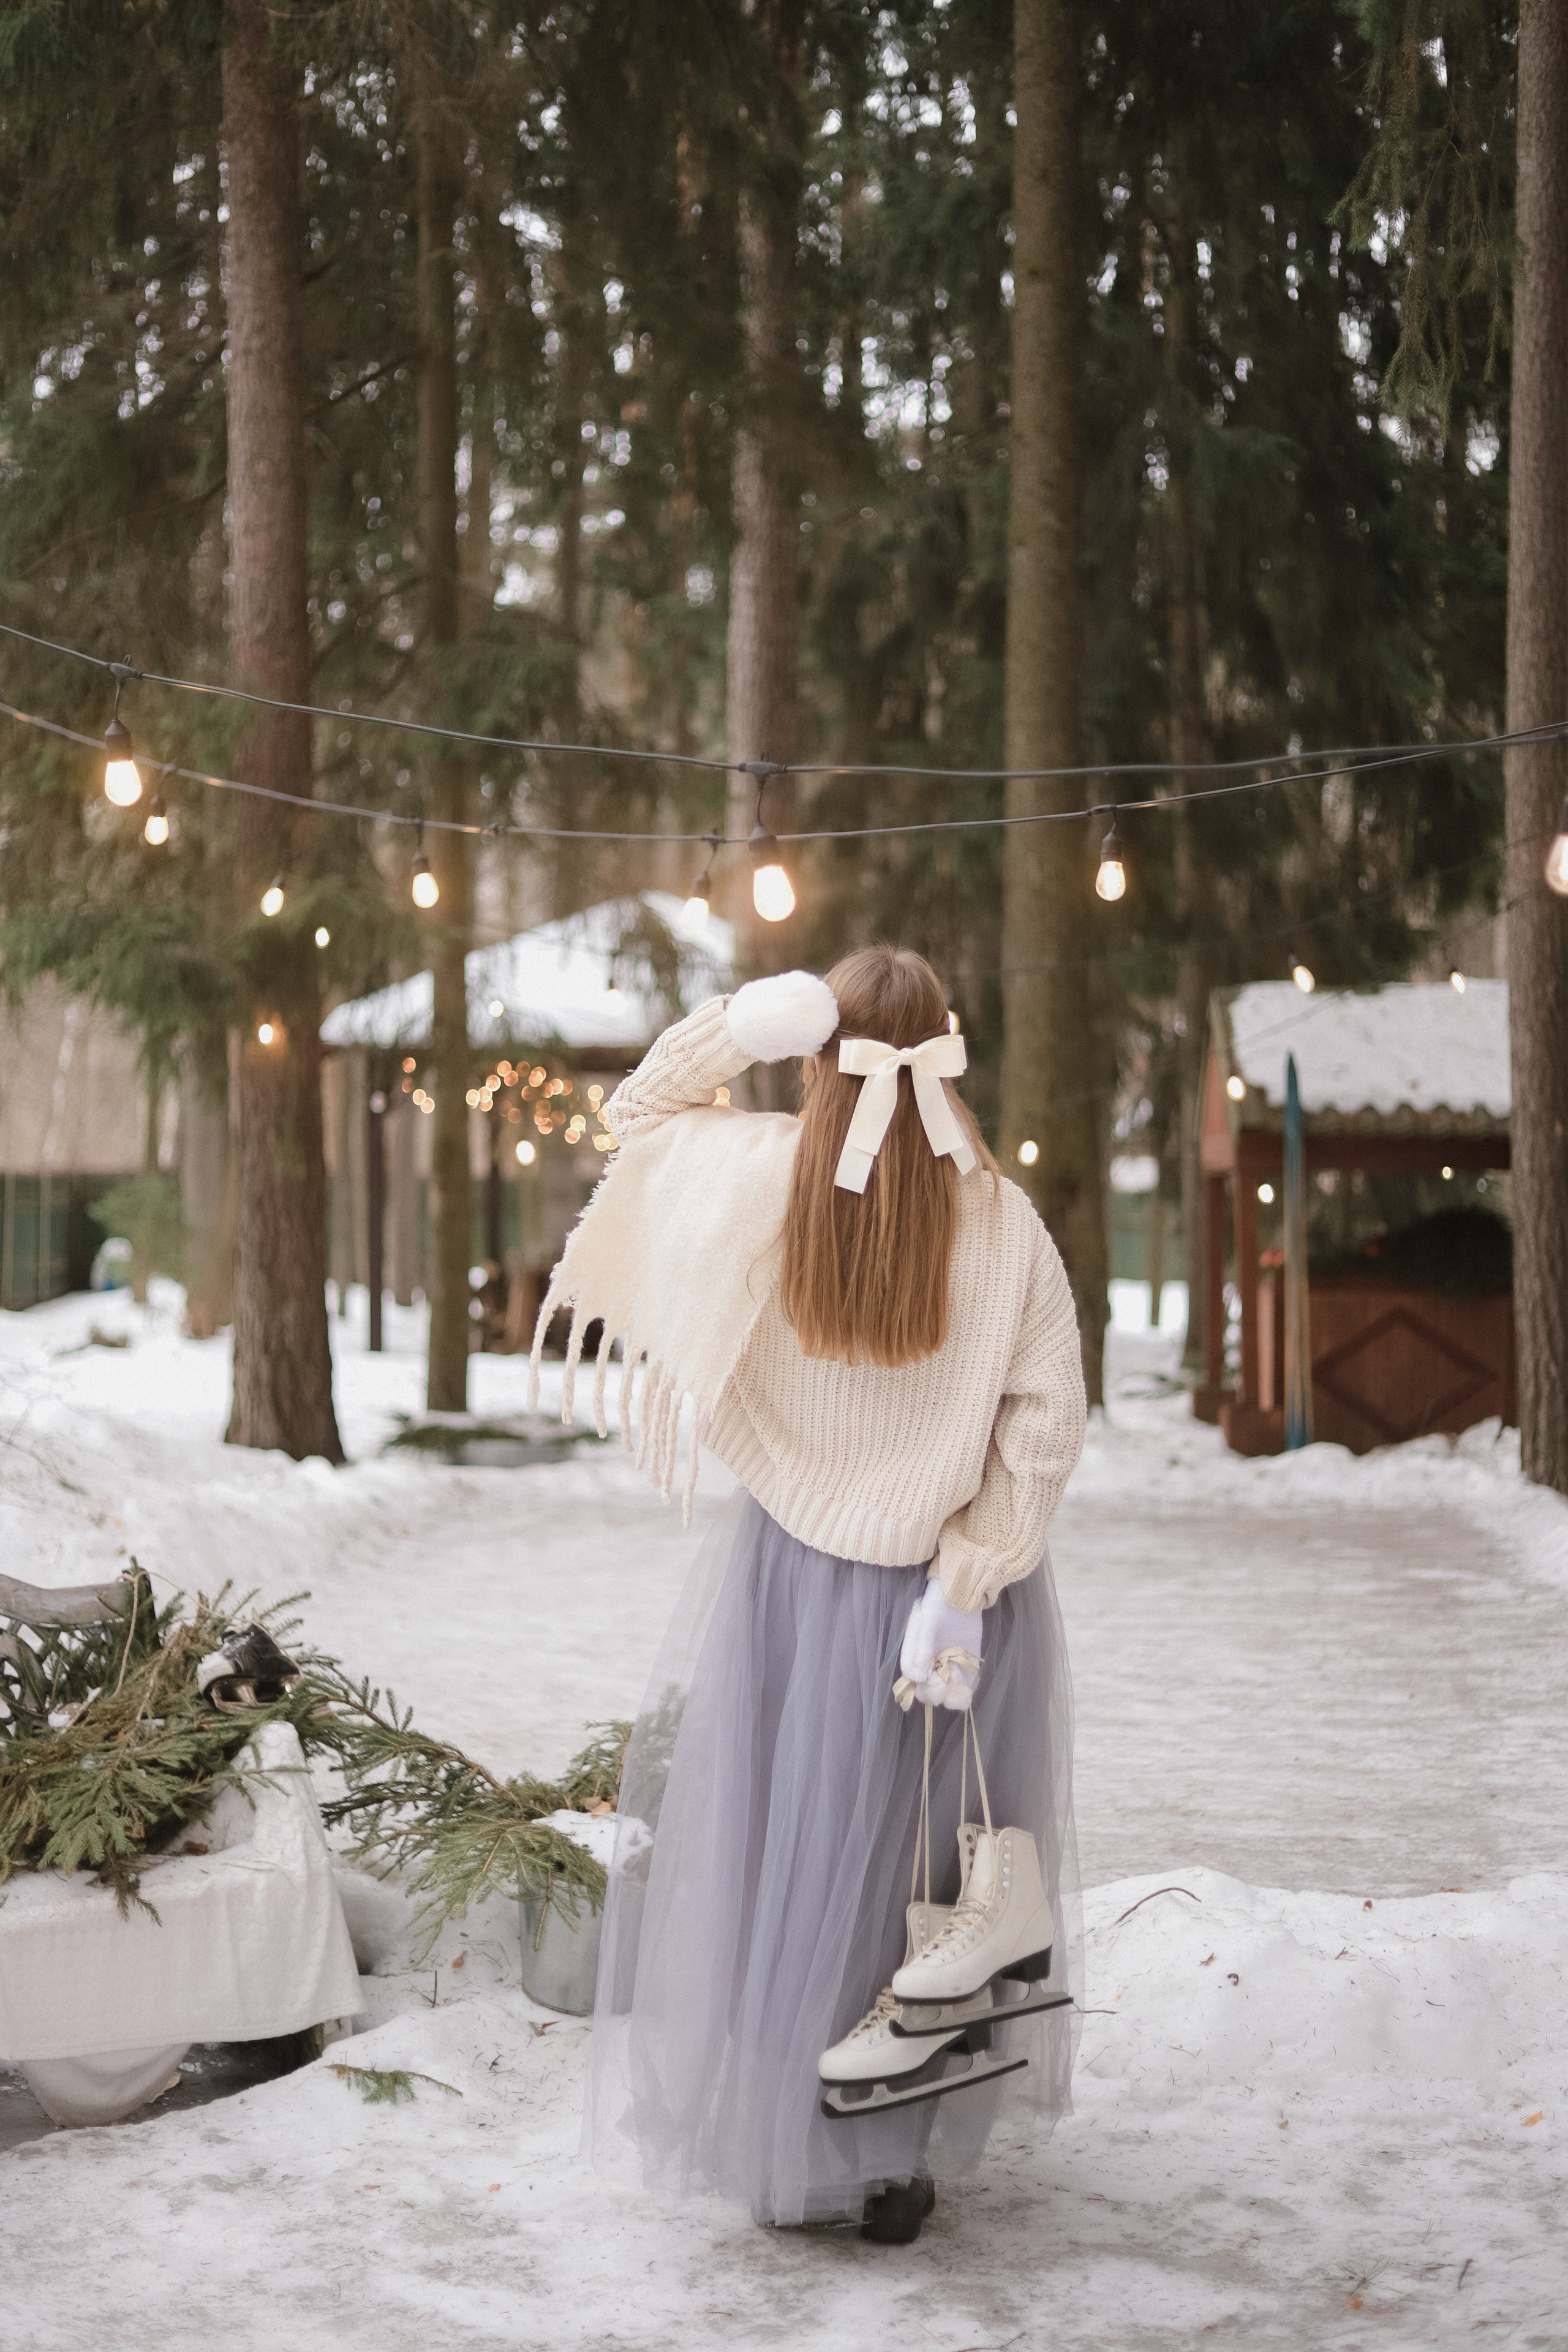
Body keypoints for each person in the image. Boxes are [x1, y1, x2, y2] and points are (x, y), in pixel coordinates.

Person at [533, 944, 1087, 2242]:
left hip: (791, 1579)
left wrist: (736, 1027)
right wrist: (968, 1577)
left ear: (815, 1056)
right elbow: (1046, 1420)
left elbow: (640, 1118)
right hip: (952, 1602)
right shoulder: (1002, 1224)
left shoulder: (762, 1177)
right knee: (915, 1879)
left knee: (790, 1863)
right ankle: (891, 2163)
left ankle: (789, 2137)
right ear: (946, 1047)